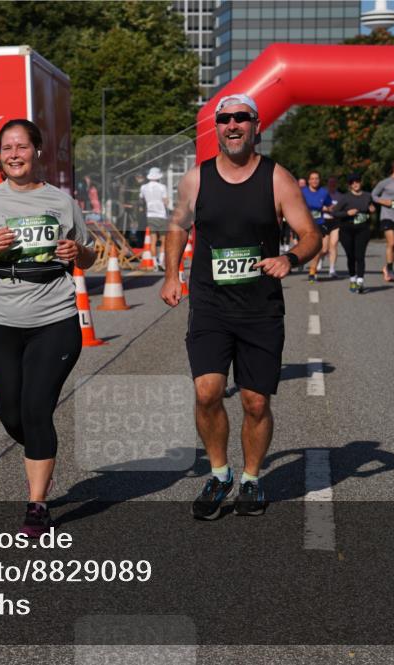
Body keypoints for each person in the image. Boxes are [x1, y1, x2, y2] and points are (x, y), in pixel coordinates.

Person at [160, 94, 320, 520]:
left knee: (255, 402)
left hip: (260, 308)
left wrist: (291, 257)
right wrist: (171, 274)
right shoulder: (197, 179)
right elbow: (177, 224)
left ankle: (251, 479)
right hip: (210, 305)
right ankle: (219, 473)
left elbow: (310, 234)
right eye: (225, 119)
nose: (232, 125)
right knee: (207, 391)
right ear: (217, 127)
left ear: (255, 126)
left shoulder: (277, 178)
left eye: (241, 119)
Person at [0, 119, 96, 537]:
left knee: (36, 408)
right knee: (12, 412)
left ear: (36, 152)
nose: (14, 154)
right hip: (0, 321)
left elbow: (87, 257)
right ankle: (40, 445)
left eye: (22, 146)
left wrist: (76, 250)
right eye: (7, 148)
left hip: (54, 317)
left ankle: (37, 505)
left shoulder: (61, 202)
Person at [334, 174, 376, 293]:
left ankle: (360, 281)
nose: (355, 184)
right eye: (352, 182)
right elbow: (334, 213)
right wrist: (347, 213)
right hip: (346, 230)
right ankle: (352, 279)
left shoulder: (368, 196)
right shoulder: (345, 198)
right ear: (349, 185)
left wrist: (372, 209)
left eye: (357, 181)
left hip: (363, 229)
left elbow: (371, 208)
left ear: (360, 182)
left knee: (360, 255)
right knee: (351, 256)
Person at [300, 171, 334, 283]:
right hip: (306, 224)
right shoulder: (303, 192)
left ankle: (313, 266)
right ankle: (312, 272)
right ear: (308, 180)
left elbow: (330, 205)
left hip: (320, 222)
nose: (315, 181)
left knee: (324, 249)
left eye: (317, 178)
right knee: (314, 249)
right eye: (312, 178)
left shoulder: (324, 193)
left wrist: (330, 209)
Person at [140, 167, 171, 269]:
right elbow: (166, 202)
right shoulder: (162, 187)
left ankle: (154, 263)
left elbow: (142, 200)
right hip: (161, 215)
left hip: (150, 215)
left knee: (153, 240)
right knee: (163, 240)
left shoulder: (143, 187)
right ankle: (161, 261)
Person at [323, 175, 341, 279]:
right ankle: (320, 259)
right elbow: (318, 205)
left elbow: (342, 207)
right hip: (324, 221)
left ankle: (332, 269)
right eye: (330, 183)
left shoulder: (340, 196)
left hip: (335, 222)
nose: (332, 185)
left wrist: (335, 209)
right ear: (328, 184)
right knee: (324, 248)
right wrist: (327, 208)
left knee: (333, 245)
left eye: (334, 183)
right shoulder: (324, 194)